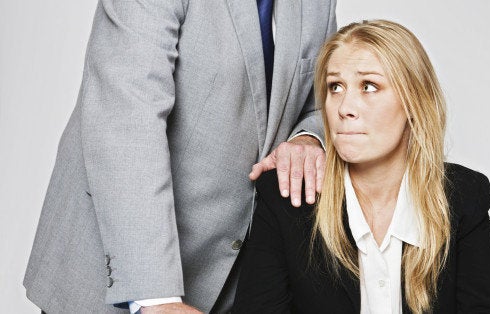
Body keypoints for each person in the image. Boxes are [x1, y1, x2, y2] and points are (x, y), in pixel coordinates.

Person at [23, 0, 336, 312]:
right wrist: (157, 299)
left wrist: (308, 138)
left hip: (230, 281)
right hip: (116, 268)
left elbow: (323, 99)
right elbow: (127, 122)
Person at [232, 20, 490, 313]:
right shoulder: (288, 197)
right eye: (335, 87)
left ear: (414, 102)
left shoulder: (461, 196)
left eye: (369, 86)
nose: (344, 107)